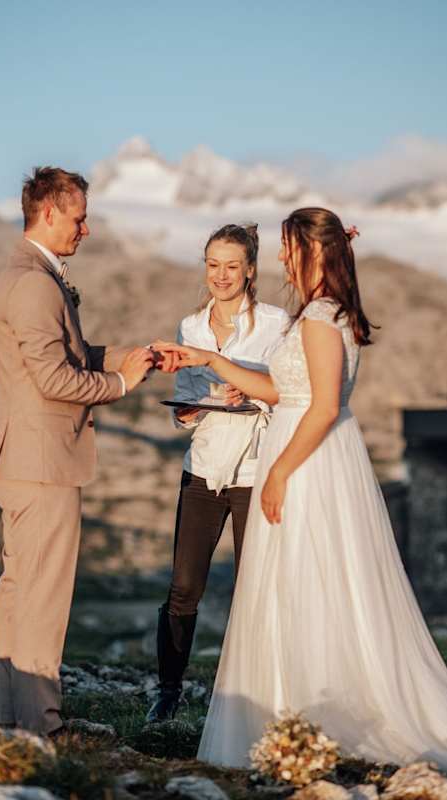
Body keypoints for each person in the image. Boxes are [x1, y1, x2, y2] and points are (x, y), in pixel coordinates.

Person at [154, 208, 447, 776]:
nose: (280, 258)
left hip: (305, 463)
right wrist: (208, 360)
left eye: (285, 247)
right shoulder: (320, 313)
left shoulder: (322, 317)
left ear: (310, 251)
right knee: (297, 584)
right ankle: (289, 704)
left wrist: (276, 473)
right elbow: (279, 389)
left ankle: (311, 708)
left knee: (303, 582)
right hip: (296, 453)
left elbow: (322, 406)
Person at [0, 166, 164, 736]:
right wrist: (124, 385)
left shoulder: (27, 273)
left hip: (24, 460)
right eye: (80, 218)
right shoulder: (36, 282)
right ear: (51, 212)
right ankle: (42, 725)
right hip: (43, 464)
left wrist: (124, 355)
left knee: (18, 591)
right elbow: (53, 379)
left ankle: (18, 719)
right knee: (42, 599)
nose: (86, 230)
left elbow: (67, 352)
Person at [146, 223, 288, 722]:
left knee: (256, 586)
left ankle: (259, 696)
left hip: (255, 469)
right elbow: (182, 408)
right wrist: (202, 402)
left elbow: (289, 393)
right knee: (184, 586)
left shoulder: (277, 323)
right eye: (212, 265)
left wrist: (246, 392)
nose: (221, 276)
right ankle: (167, 692)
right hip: (203, 470)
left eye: (231, 266)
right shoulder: (190, 327)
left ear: (250, 270)